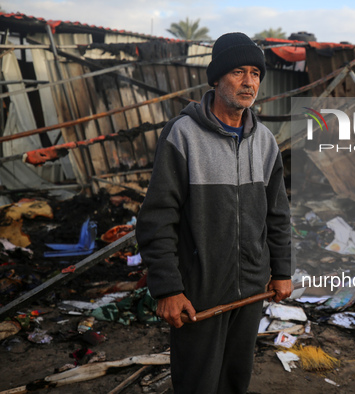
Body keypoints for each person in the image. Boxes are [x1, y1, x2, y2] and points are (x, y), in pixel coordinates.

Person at [136, 32, 292, 393]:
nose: (249, 82)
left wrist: (281, 270)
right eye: (239, 72)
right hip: (200, 291)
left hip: (252, 288)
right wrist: (168, 289)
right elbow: (157, 218)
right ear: (217, 78)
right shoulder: (183, 135)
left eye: (255, 73)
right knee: (197, 384)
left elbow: (278, 216)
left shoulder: (265, 141)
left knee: (236, 380)